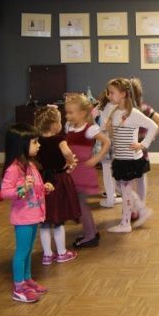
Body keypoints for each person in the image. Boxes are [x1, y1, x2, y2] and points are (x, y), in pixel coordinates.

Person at [1, 123, 53, 303]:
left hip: (33, 215)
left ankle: (27, 279)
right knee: (22, 251)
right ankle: (18, 287)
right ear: (21, 144)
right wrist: (22, 189)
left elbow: (35, 187)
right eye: (35, 142)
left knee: (29, 249)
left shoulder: (30, 165)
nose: (39, 145)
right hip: (23, 218)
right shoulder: (13, 169)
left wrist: (44, 188)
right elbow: (4, 192)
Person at [104, 78, 158, 233]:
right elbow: (114, 136)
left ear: (123, 94)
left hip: (129, 159)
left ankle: (126, 223)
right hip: (120, 157)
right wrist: (109, 128)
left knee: (125, 190)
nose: (109, 95)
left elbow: (153, 126)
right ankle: (140, 209)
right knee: (121, 187)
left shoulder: (133, 113)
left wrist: (143, 144)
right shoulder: (115, 112)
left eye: (112, 93)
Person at [34, 105, 79, 264]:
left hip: (43, 180)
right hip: (59, 180)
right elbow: (67, 152)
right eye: (60, 121)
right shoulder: (59, 139)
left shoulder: (37, 141)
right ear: (54, 124)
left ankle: (47, 255)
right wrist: (71, 162)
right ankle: (61, 252)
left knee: (45, 220)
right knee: (58, 219)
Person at [64, 93, 110, 248]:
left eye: (71, 113)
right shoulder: (70, 127)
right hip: (73, 171)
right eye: (67, 113)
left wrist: (96, 159)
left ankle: (90, 236)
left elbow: (106, 142)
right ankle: (91, 232)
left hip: (83, 173)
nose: (67, 116)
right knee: (79, 204)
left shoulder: (89, 129)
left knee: (81, 205)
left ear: (83, 113)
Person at [130, 77, 159, 214]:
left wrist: (149, 138)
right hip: (135, 149)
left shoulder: (141, 109)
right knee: (138, 180)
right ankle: (138, 207)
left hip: (137, 149)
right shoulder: (142, 108)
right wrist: (149, 138)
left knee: (135, 180)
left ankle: (137, 208)